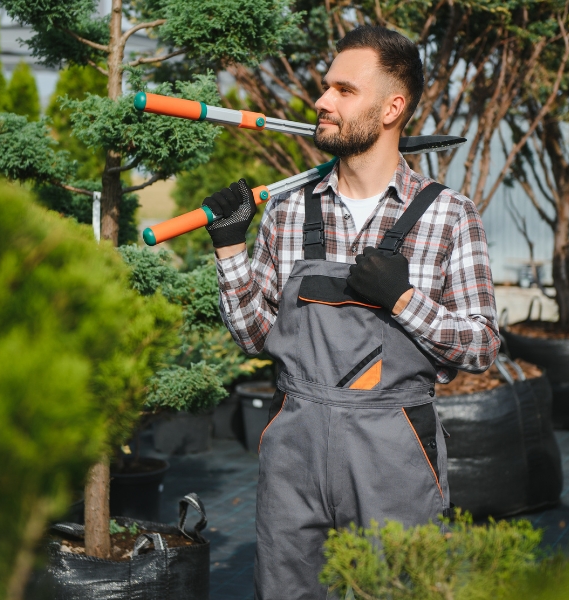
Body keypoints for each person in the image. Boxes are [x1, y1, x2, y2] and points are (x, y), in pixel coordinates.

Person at [201, 26, 500, 600]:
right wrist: (230, 251)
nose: (321, 101)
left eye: (343, 89)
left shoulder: (449, 217)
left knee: (395, 589)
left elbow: (482, 346)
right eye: (324, 87)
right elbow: (257, 337)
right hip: (294, 445)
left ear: (393, 108)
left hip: (392, 449)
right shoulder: (288, 214)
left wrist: (405, 301)